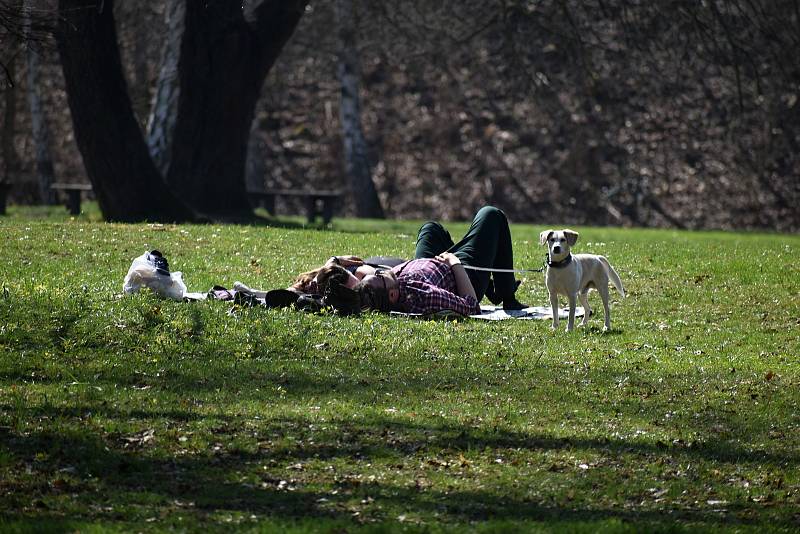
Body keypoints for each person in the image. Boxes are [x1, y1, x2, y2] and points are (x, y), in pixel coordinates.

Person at [325, 206, 525, 316]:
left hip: (430, 263)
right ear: (393, 294)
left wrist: (333, 262)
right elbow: (471, 306)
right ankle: (507, 296)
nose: (381, 272)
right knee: (491, 214)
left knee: (431, 229)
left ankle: (491, 284)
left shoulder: (380, 291)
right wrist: (454, 262)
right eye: (381, 277)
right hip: (461, 273)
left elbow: (350, 280)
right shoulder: (422, 295)